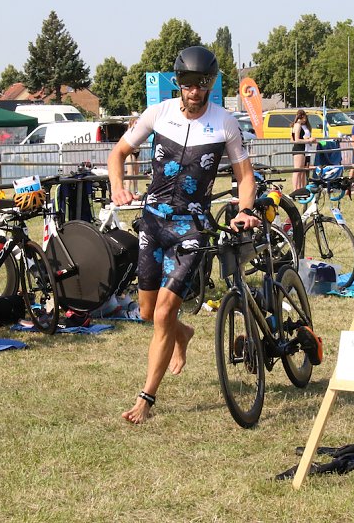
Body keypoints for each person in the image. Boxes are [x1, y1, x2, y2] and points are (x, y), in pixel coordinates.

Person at [108, 46, 261, 425]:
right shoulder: (157, 114)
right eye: (189, 84)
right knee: (147, 312)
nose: (195, 91)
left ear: (211, 84)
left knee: (163, 313)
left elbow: (244, 176)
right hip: (153, 220)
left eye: (202, 84)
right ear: (178, 83)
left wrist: (245, 210)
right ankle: (184, 332)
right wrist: (117, 187)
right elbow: (118, 153)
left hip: (191, 227)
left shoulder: (225, 122)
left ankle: (146, 397)